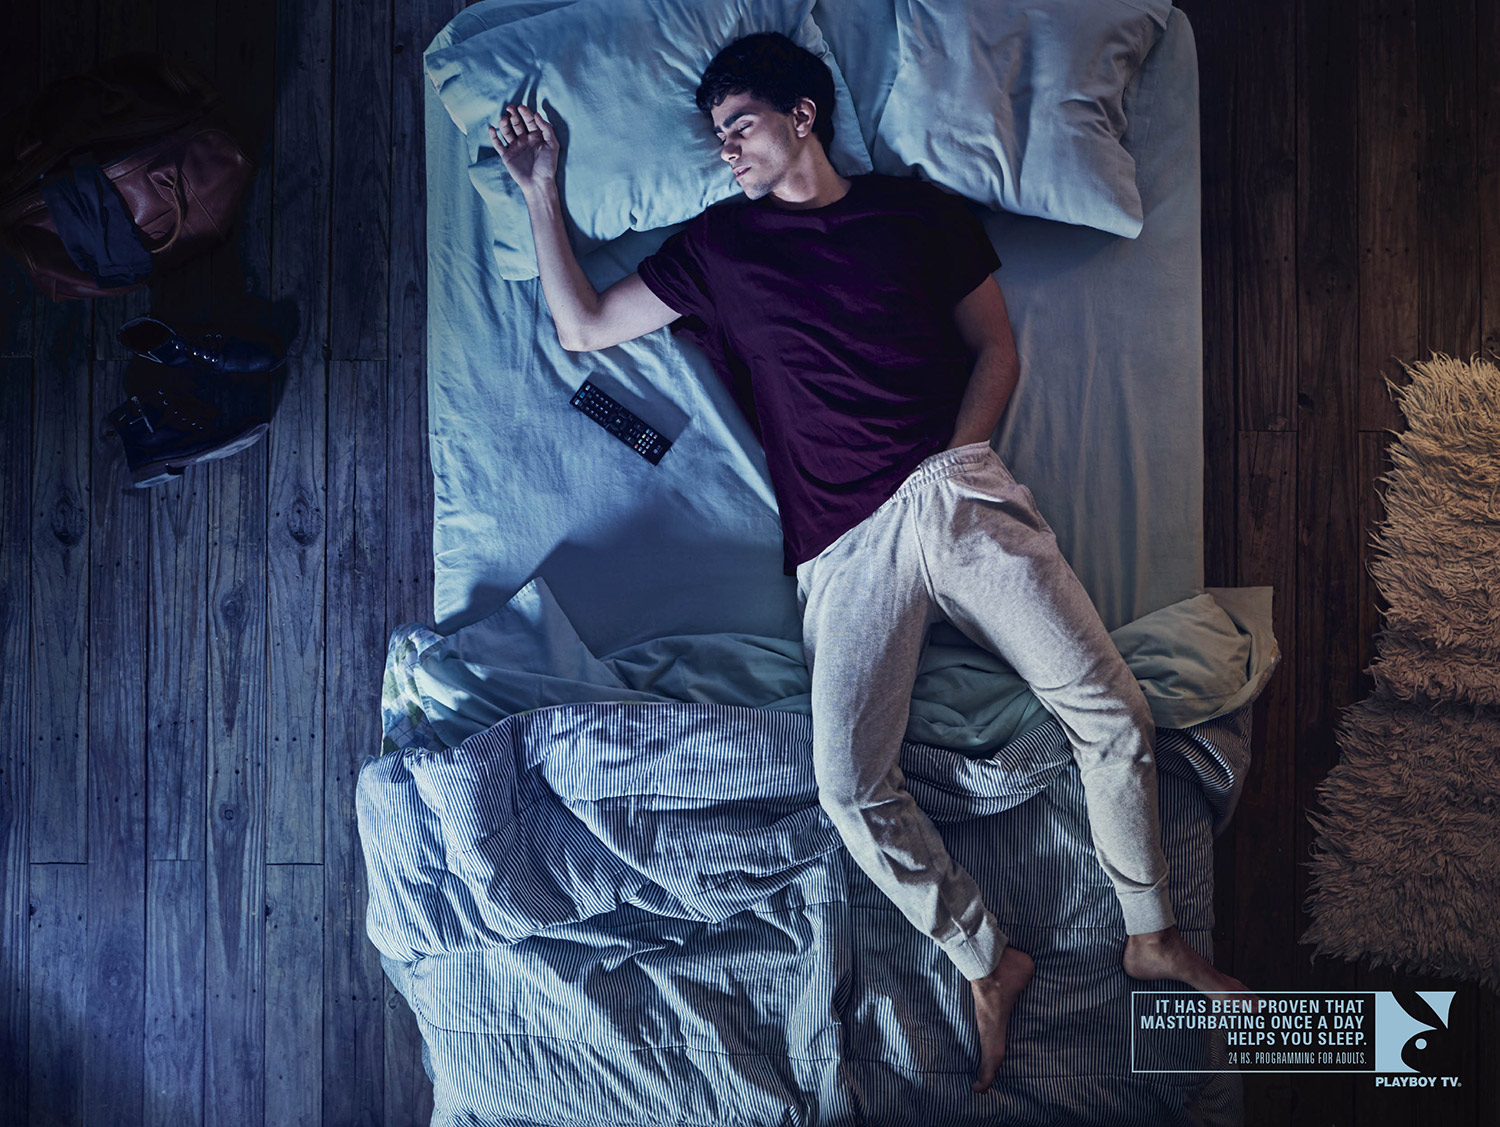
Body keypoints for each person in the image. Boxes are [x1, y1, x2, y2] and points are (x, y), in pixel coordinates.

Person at [488, 31, 1252, 1095]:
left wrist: (958, 461)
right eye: (716, 137)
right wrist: (542, 187)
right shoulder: (720, 248)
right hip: (841, 548)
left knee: (1110, 710)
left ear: (803, 115)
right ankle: (987, 957)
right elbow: (580, 327)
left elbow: (997, 350)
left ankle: (1152, 934)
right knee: (849, 788)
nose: (726, 151)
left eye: (740, 126)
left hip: (950, 492)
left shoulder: (919, 214)